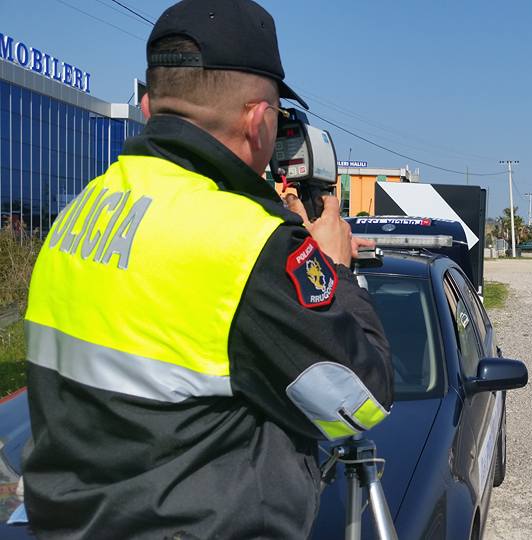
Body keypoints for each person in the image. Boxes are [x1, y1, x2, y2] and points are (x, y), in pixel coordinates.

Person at [21, 0, 393, 537]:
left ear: (149, 106)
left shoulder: (81, 211)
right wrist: (336, 267)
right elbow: (361, 401)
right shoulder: (247, 242)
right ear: (258, 121)